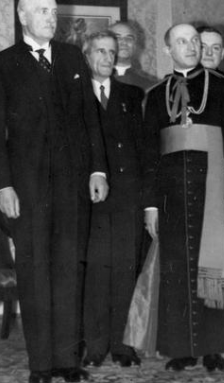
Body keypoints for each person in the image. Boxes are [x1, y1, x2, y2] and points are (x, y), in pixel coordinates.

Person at [0, 0, 109, 383]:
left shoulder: (72, 58)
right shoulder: (2, 64)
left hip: (72, 186)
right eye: (42, 11)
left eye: (54, 12)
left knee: (70, 270)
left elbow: (90, 118)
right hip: (27, 188)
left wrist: (97, 171)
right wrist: (3, 186)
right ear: (23, 17)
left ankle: (66, 361)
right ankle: (40, 364)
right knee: (35, 272)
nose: (51, 18)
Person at [142, 23, 224, 372]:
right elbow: (149, 154)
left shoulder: (221, 87)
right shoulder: (156, 94)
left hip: (212, 187)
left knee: (213, 266)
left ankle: (215, 347)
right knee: (176, 268)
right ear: (167, 49)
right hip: (171, 192)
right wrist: (151, 204)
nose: (190, 47)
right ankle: (181, 347)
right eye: (182, 42)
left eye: (194, 41)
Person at [80, 31, 147, 369]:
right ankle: (95, 344)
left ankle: (123, 345)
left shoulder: (131, 95)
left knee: (125, 271)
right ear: (86, 54)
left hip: (127, 196)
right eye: (100, 51)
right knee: (94, 272)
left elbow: (143, 148)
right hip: (89, 199)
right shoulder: (73, 95)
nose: (107, 58)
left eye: (112, 51)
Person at [109, 20, 157, 91]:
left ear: (135, 45)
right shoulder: (92, 82)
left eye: (129, 38)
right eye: (117, 38)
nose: (124, 42)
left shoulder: (151, 85)